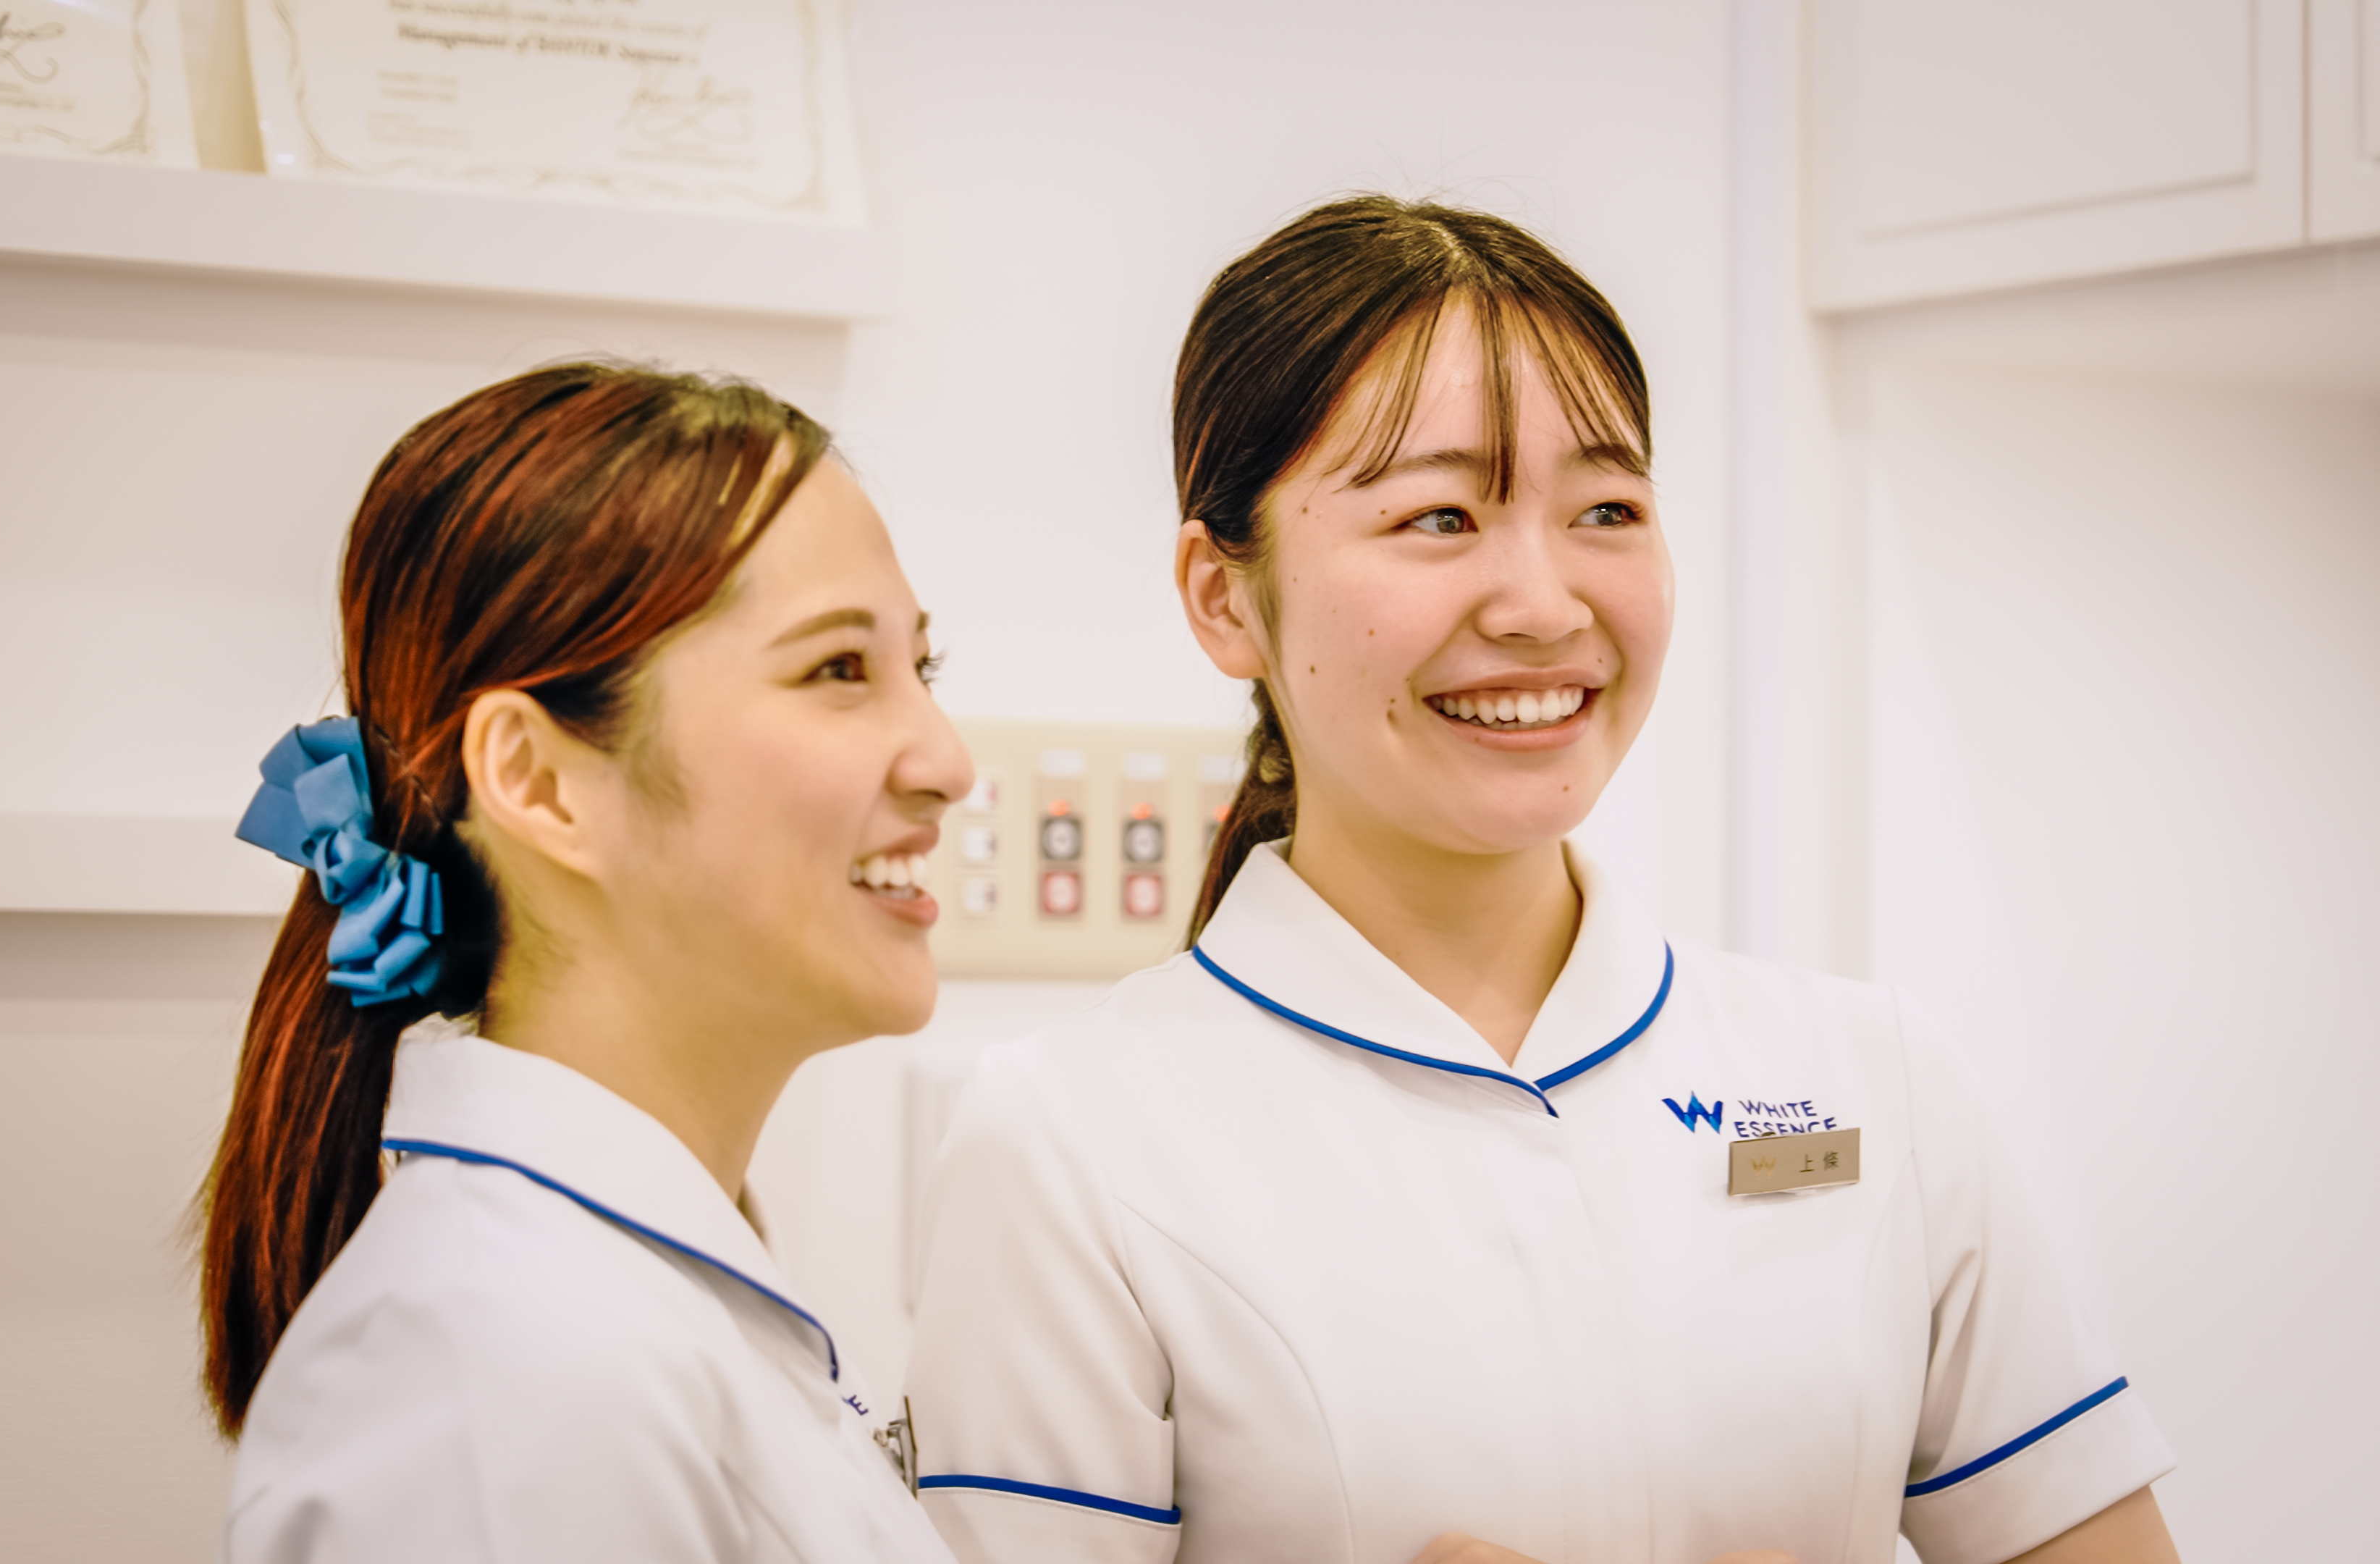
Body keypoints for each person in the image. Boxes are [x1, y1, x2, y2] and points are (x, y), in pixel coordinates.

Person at [901, 198, 2184, 1564]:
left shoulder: (1871, 1078)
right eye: (1440, 515)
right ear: (1224, 598)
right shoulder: (1070, 1145)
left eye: (1607, 510)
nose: (1544, 604)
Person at [200, 363, 971, 1562]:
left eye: (923, 669)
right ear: (539, 781)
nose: (945, 761)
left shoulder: (611, 1303)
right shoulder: (499, 1368)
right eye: (838, 670)